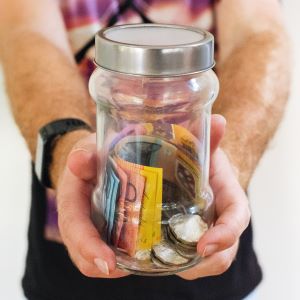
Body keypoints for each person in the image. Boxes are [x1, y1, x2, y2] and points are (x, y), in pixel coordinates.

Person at [0, 0, 290, 299]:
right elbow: (28, 31)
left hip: (214, 235)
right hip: (72, 231)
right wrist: (65, 149)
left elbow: (257, 30)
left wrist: (226, 162)